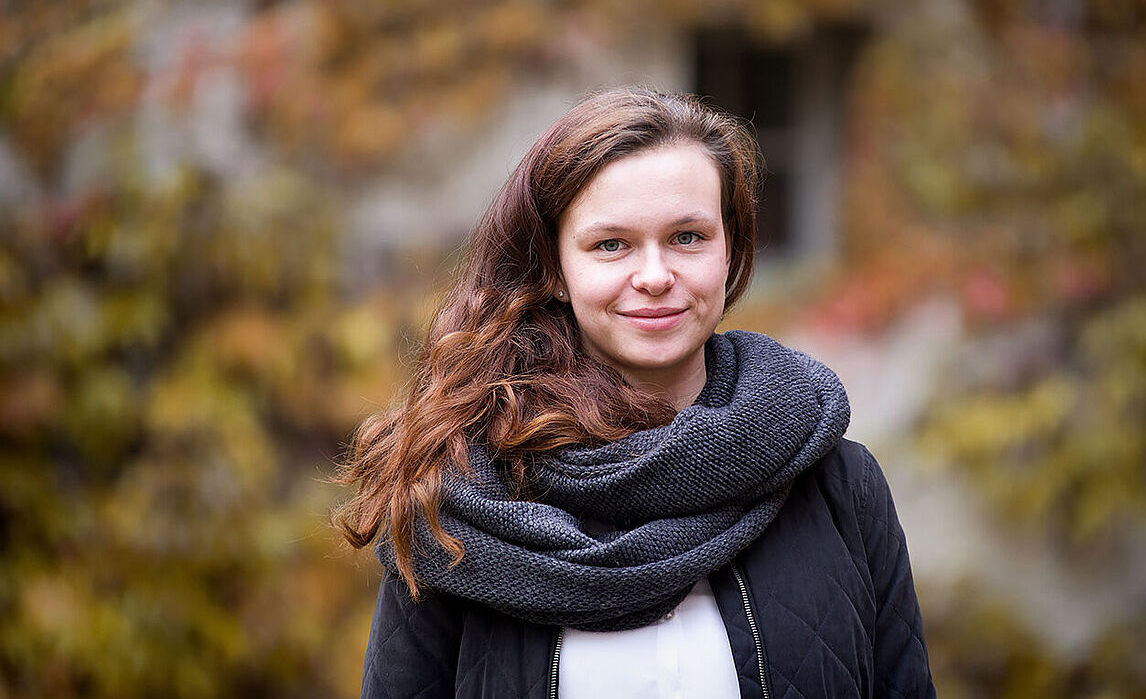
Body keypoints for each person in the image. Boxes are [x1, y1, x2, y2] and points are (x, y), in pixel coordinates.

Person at [334, 87, 936, 699]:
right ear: (556, 271)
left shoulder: (839, 487)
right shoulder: (461, 499)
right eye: (611, 244)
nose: (654, 276)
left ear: (731, 251)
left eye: (688, 237)